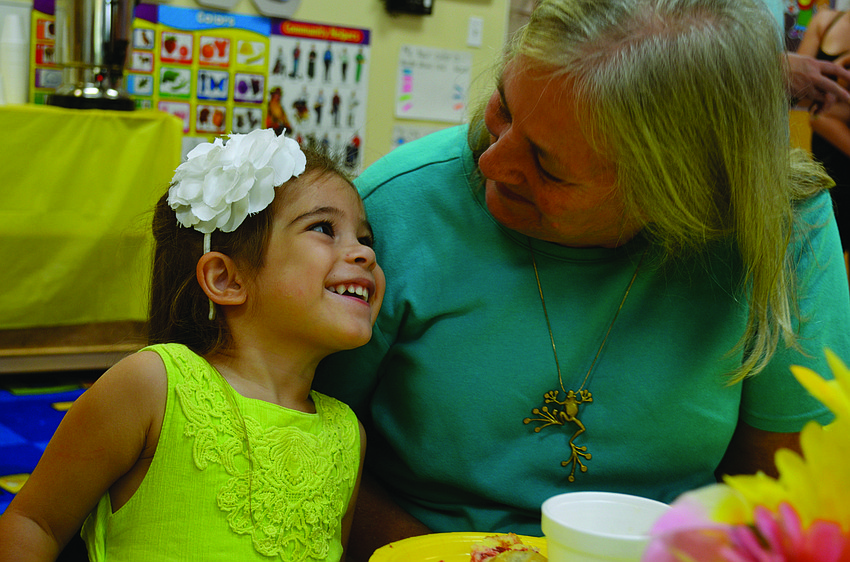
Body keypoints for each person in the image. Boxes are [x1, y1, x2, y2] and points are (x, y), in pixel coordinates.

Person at [312, 0, 850, 558]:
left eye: (547, 165)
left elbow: (783, 493)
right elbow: (308, 451)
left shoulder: (782, 226)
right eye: (505, 106)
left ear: (678, 193)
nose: (492, 161)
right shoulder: (392, 212)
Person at [0, 129, 385, 561]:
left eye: (365, 239)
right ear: (226, 279)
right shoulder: (154, 385)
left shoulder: (347, 435)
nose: (364, 255)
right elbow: (34, 523)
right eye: (324, 228)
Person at [796, 6, 850, 258]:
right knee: (825, 254)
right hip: (828, 165)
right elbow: (801, 95)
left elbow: (820, 115)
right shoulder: (825, 22)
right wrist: (832, 73)